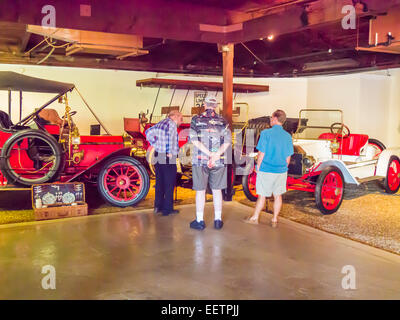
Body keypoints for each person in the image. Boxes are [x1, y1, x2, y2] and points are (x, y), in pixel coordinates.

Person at [244, 109, 293, 228]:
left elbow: (261, 153)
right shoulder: (287, 136)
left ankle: (255, 217)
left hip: (266, 169)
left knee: (262, 195)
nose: (270, 120)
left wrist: (258, 167)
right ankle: (275, 219)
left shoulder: (266, 133)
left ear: (275, 119)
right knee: (278, 195)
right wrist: (283, 168)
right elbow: (288, 157)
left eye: (271, 118)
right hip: (281, 170)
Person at [188, 96, 231, 230]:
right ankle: (217, 220)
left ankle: (200, 221)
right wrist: (215, 155)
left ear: (205, 105)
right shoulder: (223, 121)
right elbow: (228, 141)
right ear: (216, 105)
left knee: (200, 191)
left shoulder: (195, 119)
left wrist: (208, 154)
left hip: (200, 160)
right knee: (217, 190)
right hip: (219, 161)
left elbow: (194, 140)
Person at [145, 110, 183, 216]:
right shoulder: (172, 125)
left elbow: (147, 132)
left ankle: (158, 207)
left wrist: (155, 144)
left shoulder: (161, 123)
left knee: (160, 182)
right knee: (169, 183)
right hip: (167, 157)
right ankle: (168, 209)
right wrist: (170, 152)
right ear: (175, 116)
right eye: (181, 118)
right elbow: (171, 140)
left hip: (158, 154)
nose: (181, 121)